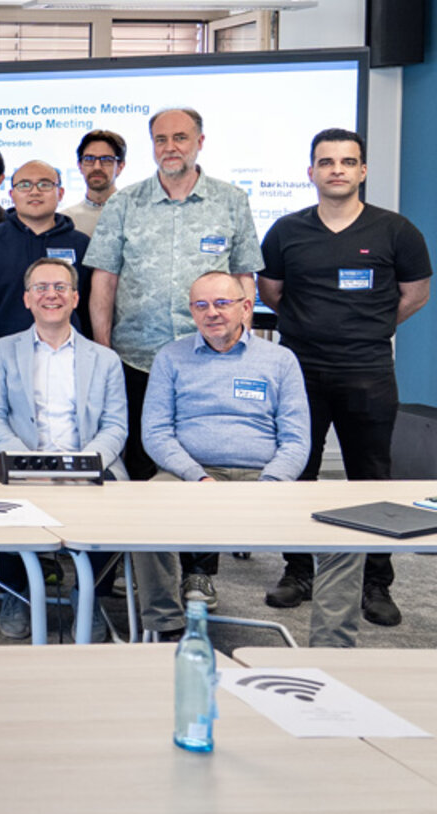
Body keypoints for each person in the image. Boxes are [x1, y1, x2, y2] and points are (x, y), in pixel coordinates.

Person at [258, 128, 430, 627]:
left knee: (372, 479)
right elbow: (272, 291)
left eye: (347, 162)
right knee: (299, 473)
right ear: (310, 171)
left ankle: (375, 582)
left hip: (368, 371)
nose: (337, 170)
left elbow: (415, 293)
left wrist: (371, 327)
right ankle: (298, 572)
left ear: (362, 171)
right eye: (326, 162)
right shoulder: (287, 230)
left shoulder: (396, 231)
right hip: (300, 371)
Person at [135, 272, 360, 647]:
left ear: (244, 307)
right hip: (190, 474)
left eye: (222, 303)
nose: (212, 313)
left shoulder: (280, 360)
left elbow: (296, 438)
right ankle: (166, 622)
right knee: (141, 515)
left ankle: (332, 647)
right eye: (201, 305)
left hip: (267, 478)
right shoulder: (171, 357)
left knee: (345, 536)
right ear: (191, 311)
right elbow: (156, 433)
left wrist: (269, 487)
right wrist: (197, 478)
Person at [85, 106, 262, 489]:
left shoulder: (230, 201)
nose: (170, 147)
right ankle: (143, 549)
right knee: (140, 463)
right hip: (136, 359)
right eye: (160, 139)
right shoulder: (125, 203)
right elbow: (104, 281)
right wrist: (104, 349)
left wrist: (239, 342)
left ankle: (202, 549)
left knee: (202, 463)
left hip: (207, 358)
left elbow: (243, 276)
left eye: (180, 138)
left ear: (199, 142)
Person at [0, 257, 129, 638]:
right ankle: (17, 591)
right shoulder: (1, 351)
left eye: (60, 287)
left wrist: (84, 464)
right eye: (41, 288)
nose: (51, 295)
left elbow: (115, 426)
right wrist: (27, 461)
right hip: (18, 460)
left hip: (88, 462)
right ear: (27, 299)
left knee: (121, 509)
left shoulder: (105, 359)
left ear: (76, 298)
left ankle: (88, 596)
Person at [0, 159, 91, 480]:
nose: (35, 191)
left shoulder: (81, 244)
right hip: (1, 365)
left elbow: (89, 307)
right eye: (25, 185)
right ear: (11, 194)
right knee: (1, 444)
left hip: (65, 364)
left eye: (45, 184)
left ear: (61, 192)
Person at [61, 130, 126, 235]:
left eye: (106, 159)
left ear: (120, 167)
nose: (97, 167)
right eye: (89, 159)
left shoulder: (136, 216)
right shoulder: (65, 221)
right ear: (80, 166)